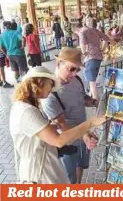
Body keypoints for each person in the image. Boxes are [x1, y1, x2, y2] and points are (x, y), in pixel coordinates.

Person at [10, 66, 106, 184]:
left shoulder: (26, 106)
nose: (52, 88)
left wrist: (53, 127)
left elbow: (41, 134)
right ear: (39, 83)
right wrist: (90, 122)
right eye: (50, 84)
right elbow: (58, 141)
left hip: (43, 166)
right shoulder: (26, 111)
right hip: (39, 174)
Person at [41, 48, 100, 184]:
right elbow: (62, 124)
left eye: (77, 70)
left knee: (82, 165)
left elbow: (82, 98)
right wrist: (84, 134)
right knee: (68, 177)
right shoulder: (50, 93)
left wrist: (95, 102)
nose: (74, 74)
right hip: (67, 141)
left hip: (84, 133)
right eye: (71, 69)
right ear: (58, 64)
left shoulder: (77, 80)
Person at [79, 18, 111, 100]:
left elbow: (83, 48)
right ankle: (96, 97)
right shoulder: (97, 31)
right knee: (99, 81)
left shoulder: (83, 31)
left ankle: (96, 104)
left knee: (92, 85)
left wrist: (84, 53)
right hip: (99, 59)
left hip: (90, 59)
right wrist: (102, 49)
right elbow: (107, 39)